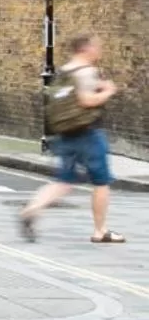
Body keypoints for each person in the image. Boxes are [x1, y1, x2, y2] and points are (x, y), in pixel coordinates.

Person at [19, 33, 124, 243]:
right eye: (96, 46)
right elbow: (87, 100)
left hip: (65, 133)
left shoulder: (64, 71)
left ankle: (31, 210)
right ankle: (100, 231)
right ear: (85, 48)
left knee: (64, 181)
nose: (99, 50)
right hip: (88, 133)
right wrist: (108, 91)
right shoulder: (87, 72)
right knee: (101, 182)